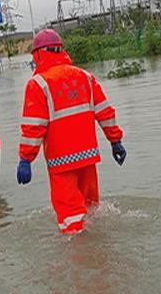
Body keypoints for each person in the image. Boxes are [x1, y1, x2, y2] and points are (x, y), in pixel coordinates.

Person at [16, 29, 127, 235]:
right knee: (92, 209)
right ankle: (100, 249)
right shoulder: (85, 77)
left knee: (71, 219)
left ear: (39, 54)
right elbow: (105, 112)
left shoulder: (38, 84)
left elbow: (34, 127)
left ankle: (81, 261)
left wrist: (26, 159)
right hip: (88, 157)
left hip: (61, 163)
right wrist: (115, 141)